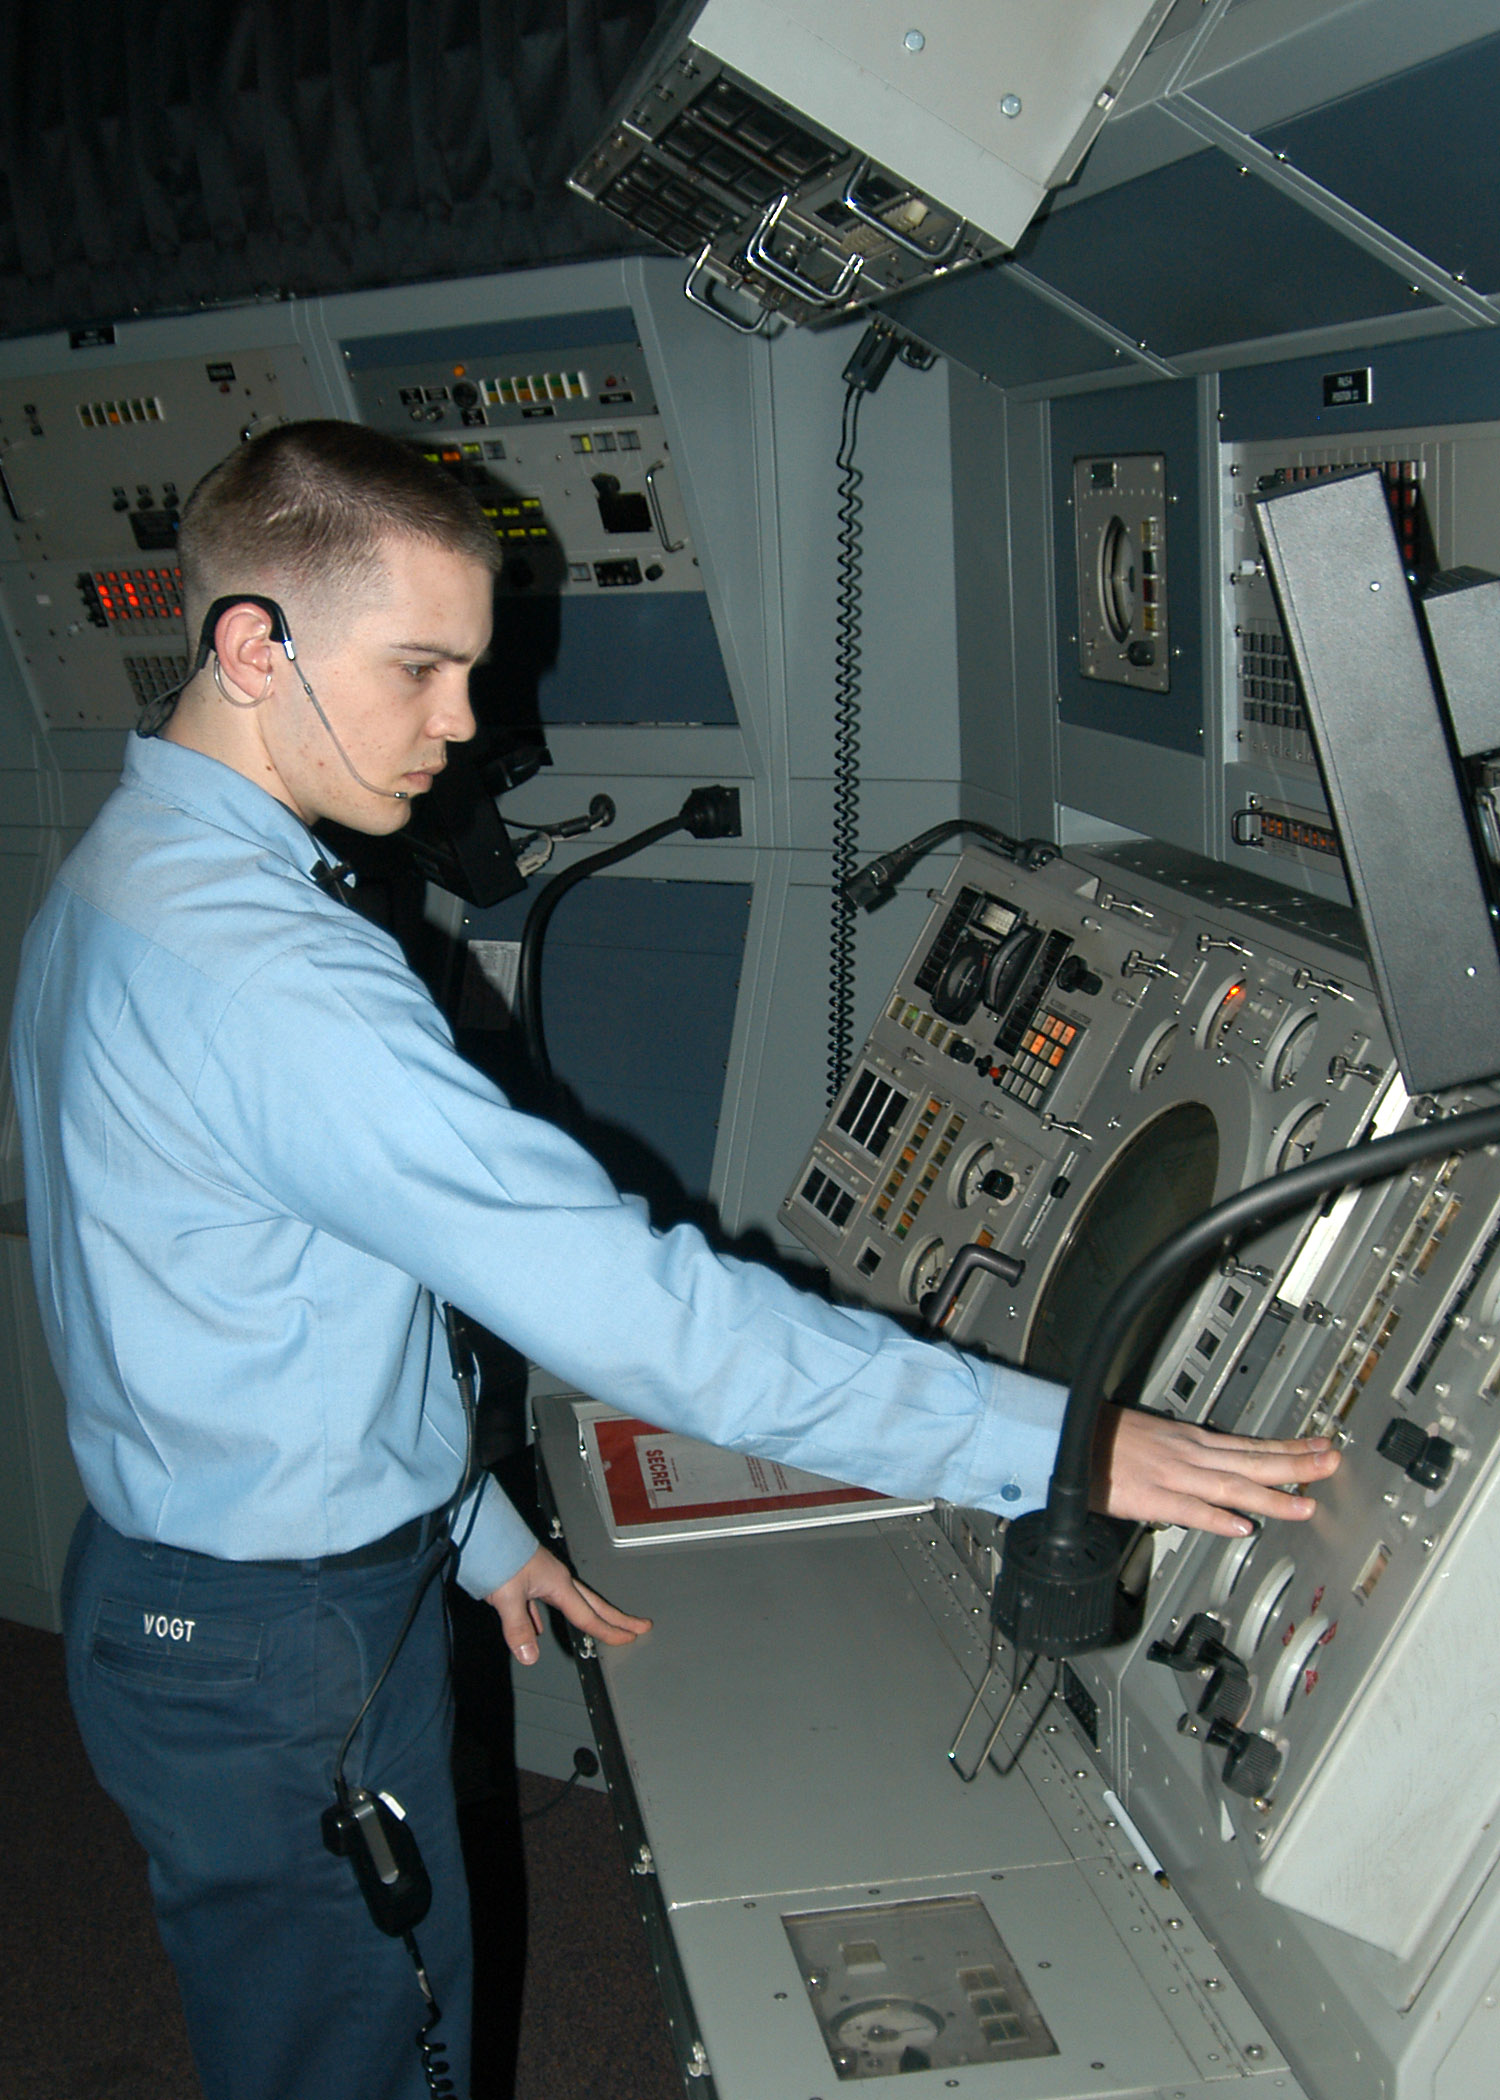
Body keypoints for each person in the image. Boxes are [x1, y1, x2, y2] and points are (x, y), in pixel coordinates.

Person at [9, 420, 1339, 2100]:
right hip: (285, 1649)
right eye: (421, 667)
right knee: (359, 2054)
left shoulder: (129, 882)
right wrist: (1056, 1450)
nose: (462, 723)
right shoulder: (277, 978)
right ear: (253, 643)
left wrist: (470, 1524)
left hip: (210, 1596)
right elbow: (644, 1313)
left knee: (318, 2019)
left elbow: (246, 1294)